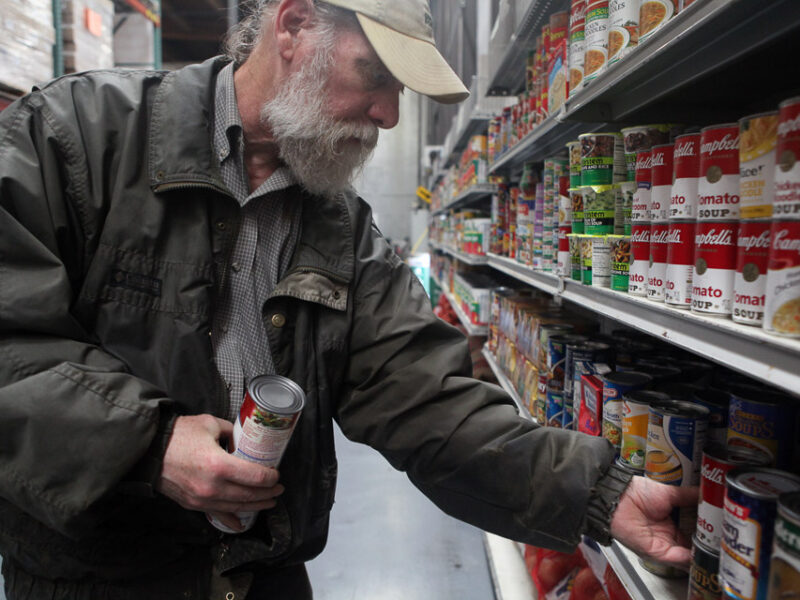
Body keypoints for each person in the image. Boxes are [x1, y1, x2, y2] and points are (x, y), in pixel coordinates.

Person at [0, 0, 696, 598]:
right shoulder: (75, 139)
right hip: (101, 574)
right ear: (295, 25)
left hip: (261, 571)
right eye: (377, 77)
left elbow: (423, 397)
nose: (389, 116)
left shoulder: (341, 227)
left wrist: (603, 494)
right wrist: (147, 444)